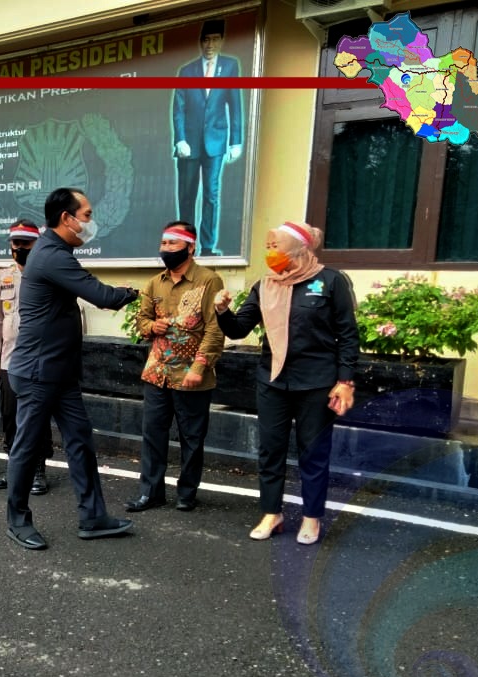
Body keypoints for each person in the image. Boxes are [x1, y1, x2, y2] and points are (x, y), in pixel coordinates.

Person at [5, 188, 139, 550]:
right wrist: (132, 293)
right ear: (67, 218)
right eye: (87, 215)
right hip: (37, 372)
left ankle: (93, 517)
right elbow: (102, 296)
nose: (91, 223)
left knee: (80, 440)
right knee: (27, 447)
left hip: (60, 372)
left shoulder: (56, 253)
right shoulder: (51, 255)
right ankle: (17, 520)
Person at [214, 221, 358, 545]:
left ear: (297, 248)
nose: (270, 253)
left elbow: (348, 335)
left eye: (275, 246)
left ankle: (312, 517)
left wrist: (345, 380)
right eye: (267, 246)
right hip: (273, 380)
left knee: (313, 452)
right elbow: (238, 329)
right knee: (270, 449)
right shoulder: (265, 285)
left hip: (317, 383)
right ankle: (272, 513)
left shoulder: (330, 281)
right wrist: (222, 311)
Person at [125, 221, 224, 514]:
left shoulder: (209, 280)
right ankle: (151, 493)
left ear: (190, 248)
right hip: (157, 373)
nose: (166, 249)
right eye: (163, 243)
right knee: (153, 435)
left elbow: (215, 329)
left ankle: (187, 493)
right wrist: (150, 326)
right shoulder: (154, 283)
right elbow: (141, 320)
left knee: (191, 438)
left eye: (173, 243)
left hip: (191, 374)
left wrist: (199, 367)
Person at [0, 220, 52, 495]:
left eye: (26, 243)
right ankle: (14, 466)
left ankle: (38, 470)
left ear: (37, 244)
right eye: (16, 243)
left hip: (39, 360)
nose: (20, 247)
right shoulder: (4, 278)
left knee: (37, 416)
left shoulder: (48, 274)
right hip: (10, 359)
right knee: (10, 415)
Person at [172, 18, 243, 257]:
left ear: (221, 41)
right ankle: (185, 244)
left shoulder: (230, 66)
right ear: (200, 42)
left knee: (211, 194)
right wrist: (180, 139)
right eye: (205, 40)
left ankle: (208, 247)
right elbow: (179, 108)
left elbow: (235, 104)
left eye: (214, 39)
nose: (209, 45)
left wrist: (236, 140)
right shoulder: (187, 71)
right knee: (187, 195)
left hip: (216, 141)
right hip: (189, 144)